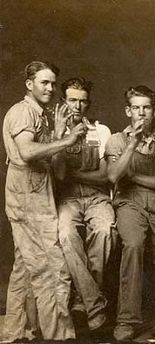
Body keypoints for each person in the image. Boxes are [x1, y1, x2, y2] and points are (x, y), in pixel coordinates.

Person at [2, 61, 85, 341]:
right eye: (43, 83)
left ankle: (14, 333)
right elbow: (27, 152)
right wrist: (68, 139)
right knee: (49, 266)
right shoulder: (23, 112)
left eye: (52, 83)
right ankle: (58, 335)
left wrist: (60, 133)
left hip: (37, 193)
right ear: (30, 85)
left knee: (25, 267)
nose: (50, 88)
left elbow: (52, 163)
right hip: (27, 196)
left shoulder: (41, 114)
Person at [105, 85, 155, 342]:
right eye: (136, 108)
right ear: (128, 110)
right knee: (133, 246)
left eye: (147, 108)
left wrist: (134, 176)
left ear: (154, 111)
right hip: (129, 203)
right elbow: (113, 176)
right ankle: (126, 321)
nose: (141, 113)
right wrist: (133, 144)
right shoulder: (117, 140)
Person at [53, 77, 116, 332]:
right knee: (66, 234)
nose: (77, 106)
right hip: (68, 198)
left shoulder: (101, 131)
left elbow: (104, 175)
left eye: (82, 101)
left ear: (89, 103)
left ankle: (82, 302)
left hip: (97, 196)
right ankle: (95, 305)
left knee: (105, 232)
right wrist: (60, 136)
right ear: (63, 102)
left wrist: (73, 174)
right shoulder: (54, 131)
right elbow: (58, 175)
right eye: (72, 100)